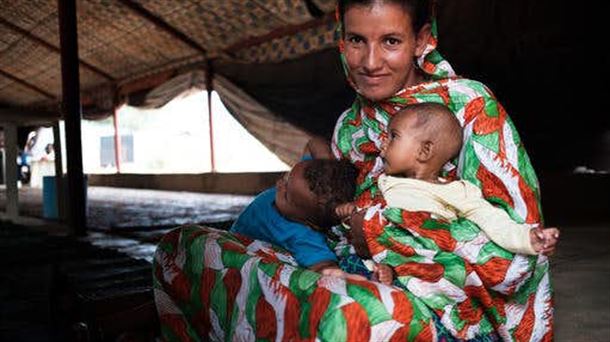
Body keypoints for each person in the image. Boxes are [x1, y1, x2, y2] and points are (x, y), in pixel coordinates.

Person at [328, 0, 555, 340]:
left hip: (464, 303)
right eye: (357, 40)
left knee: (365, 320)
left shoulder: (470, 108)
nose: (370, 62)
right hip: (377, 274)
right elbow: (341, 232)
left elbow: (514, 253)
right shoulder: (350, 127)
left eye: (391, 41)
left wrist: (378, 231)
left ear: (421, 41)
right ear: (342, 41)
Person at [335, 103, 559, 285]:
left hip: (424, 263)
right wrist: (350, 214)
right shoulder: (385, 182)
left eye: (393, 136)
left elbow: (492, 219)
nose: (383, 144)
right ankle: (383, 272)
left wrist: (527, 238)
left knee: (431, 267)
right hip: (384, 253)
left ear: (424, 151)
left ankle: (390, 275)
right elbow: (369, 216)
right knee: (349, 265)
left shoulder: (455, 191)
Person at [230, 158, 358, 272]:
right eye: (287, 177)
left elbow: (323, 266)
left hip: (235, 259)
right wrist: (326, 164)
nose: (279, 184)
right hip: (231, 238)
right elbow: (313, 143)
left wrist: (333, 273)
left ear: (309, 223)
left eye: (286, 196)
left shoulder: (301, 235)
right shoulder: (303, 183)